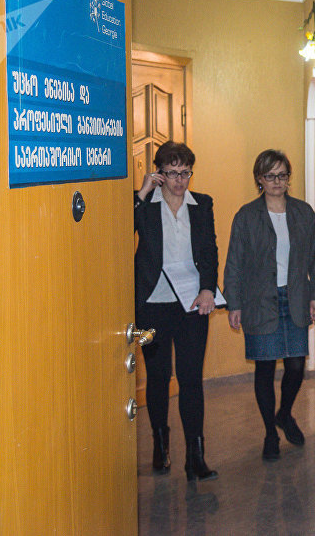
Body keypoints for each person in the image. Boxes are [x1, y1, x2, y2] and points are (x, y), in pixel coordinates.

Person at [223, 149, 315, 461]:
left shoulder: (303, 213)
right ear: (259, 179)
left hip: (295, 298)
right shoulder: (246, 216)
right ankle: (270, 432)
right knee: (265, 367)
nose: (277, 181)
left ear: (288, 178)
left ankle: (284, 413)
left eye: (282, 175)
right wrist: (233, 304)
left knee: (296, 366)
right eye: (270, 176)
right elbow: (234, 263)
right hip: (259, 301)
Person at [134, 141, 219, 482]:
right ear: (159, 173)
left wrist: (208, 288)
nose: (179, 180)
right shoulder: (144, 204)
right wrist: (142, 193)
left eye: (185, 173)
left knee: (191, 379)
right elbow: (119, 231)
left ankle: (195, 456)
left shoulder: (202, 204)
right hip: (151, 305)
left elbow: (210, 249)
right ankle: (160, 446)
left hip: (191, 304)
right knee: (157, 377)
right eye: (172, 173)